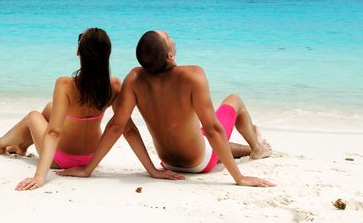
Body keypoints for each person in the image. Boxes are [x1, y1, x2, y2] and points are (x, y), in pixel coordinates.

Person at [57, 30, 274, 187]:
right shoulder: (193, 75)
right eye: (167, 37)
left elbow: (116, 126)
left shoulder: (134, 78)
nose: (169, 34)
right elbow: (213, 130)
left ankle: (248, 148)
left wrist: (88, 170)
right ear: (170, 55)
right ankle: (256, 148)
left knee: (203, 135)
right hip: (199, 163)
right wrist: (240, 178)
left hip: (166, 162)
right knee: (234, 100)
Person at [0, 28, 183, 191]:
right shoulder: (113, 86)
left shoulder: (65, 84)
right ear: (108, 55)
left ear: (78, 53)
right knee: (50, 108)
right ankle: (20, 146)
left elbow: (54, 131)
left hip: (61, 159)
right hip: (90, 156)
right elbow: (128, 129)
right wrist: (152, 171)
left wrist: (39, 176)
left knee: (33, 116)